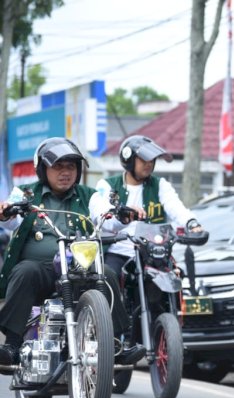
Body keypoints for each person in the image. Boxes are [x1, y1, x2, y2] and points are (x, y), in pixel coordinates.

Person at [0, 137, 130, 368]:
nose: (65, 172)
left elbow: (105, 216)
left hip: (78, 269)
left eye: (70, 166)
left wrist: (121, 216)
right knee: (25, 270)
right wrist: (6, 212)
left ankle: (118, 343)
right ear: (42, 169)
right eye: (58, 166)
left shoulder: (89, 195)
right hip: (42, 272)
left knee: (107, 274)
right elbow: (11, 218)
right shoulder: (27, 193)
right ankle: (12, 344)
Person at [90, 135, 203, 281]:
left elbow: (176, 207)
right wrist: (123, 216)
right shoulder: (107, 185)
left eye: (152, 160)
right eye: (143, 159)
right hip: (118, 251)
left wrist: (191, 223)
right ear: (128, 160)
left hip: (153, 252)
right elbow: (102, 217)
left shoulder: (160, 185)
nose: (149, 164)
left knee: (175, 277)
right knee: (107, 279)